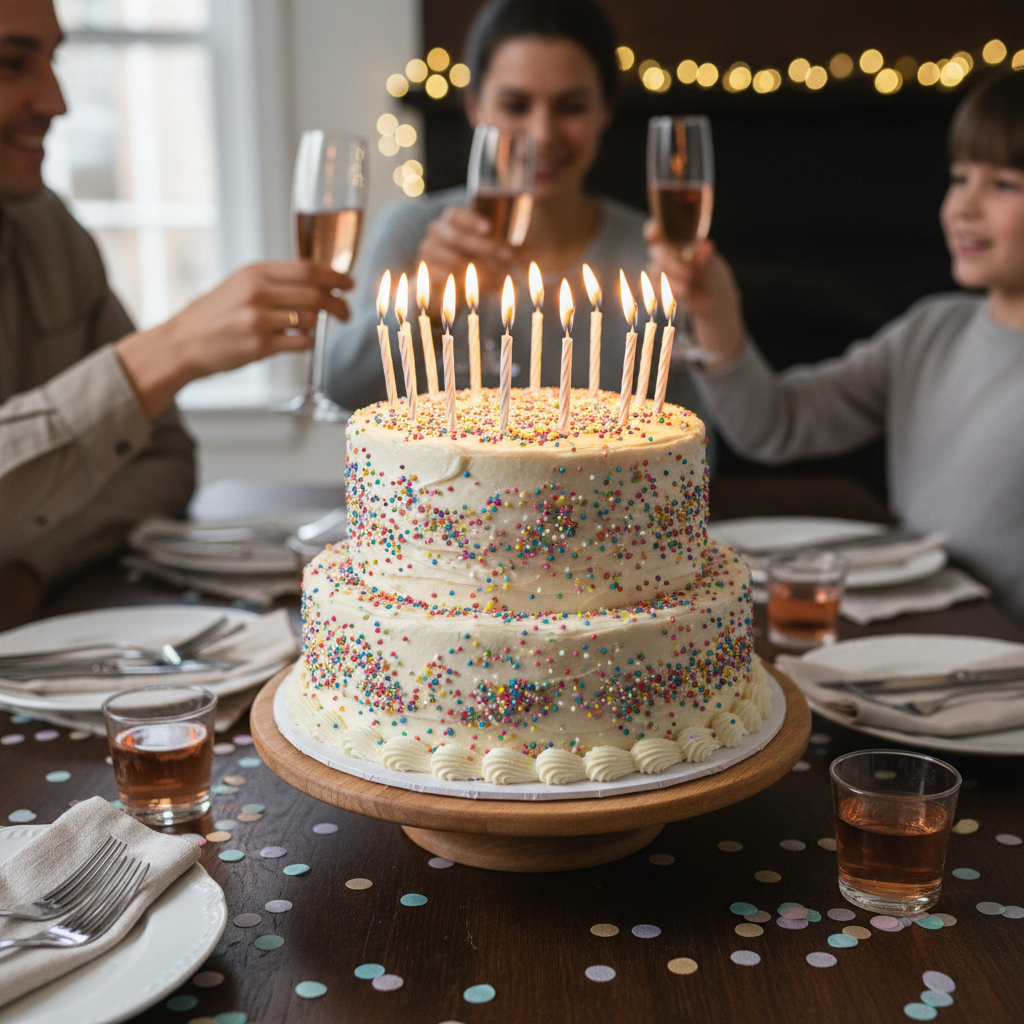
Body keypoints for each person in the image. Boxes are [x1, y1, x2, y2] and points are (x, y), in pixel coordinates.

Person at [0, 0, 351, 629]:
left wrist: (32, 566)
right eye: (10, 64)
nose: (56, 101)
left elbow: (164, 462)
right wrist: (171, 349)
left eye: (53, 61)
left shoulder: (51, 231)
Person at [649, 70, 1024, 620]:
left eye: (1004, 185)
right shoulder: (931, 333)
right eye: (960, 176)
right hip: (922, 638)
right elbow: (775, 424)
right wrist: (717, 311)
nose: (963, 207)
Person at [325, 0, 704, 422]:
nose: (541, 134)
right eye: (515, 106)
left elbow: (693, 436)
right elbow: (342, 389)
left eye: (571, 107)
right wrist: (424, 306)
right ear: (474, 108)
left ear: (606, 109)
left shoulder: (653, 254)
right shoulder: (413, 232)